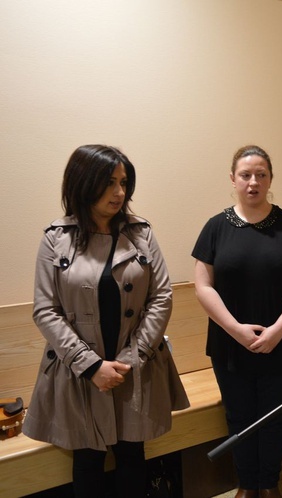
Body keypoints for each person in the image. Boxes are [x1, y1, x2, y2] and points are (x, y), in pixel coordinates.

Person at [23, 144, 189, 497]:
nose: (119, 192)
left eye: (124, 182)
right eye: (109, 182)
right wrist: (91, 365)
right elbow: (45, 309)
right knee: (87, 458)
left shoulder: (140, 232)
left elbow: (162, 296)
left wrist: (131, 358)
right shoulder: (57, 238)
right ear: (83, 183)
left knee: (132, 454)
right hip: (80, 372)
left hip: (135, 366)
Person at [192, 145, 282, 498]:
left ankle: (269, 484)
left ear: (270, 179)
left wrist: (277, 330)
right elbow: (202, 286)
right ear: (233, 180)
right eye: (245, 175)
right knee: (239, 416)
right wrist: (236, 330)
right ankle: (246, 485)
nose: (253, 182)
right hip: (230, 342)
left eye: (261, 174)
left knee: (275, 418)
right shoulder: (215, 227)